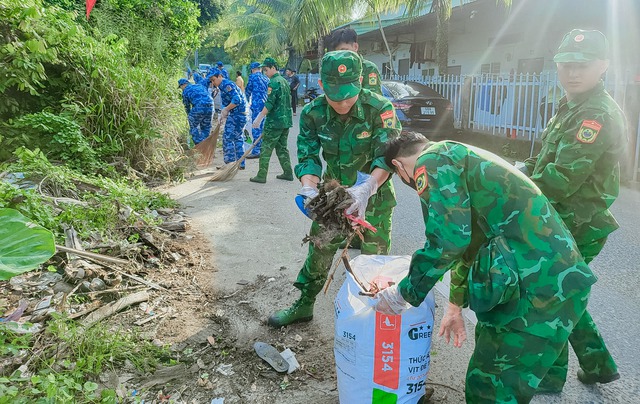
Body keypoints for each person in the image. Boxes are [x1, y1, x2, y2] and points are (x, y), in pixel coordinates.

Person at [377, 132, 596, 403]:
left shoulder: (431, 162)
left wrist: (403, 293)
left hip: (535, 291)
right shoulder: (456, 154)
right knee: (488, 369)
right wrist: (455, 306)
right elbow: (469, 244)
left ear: (398, 167)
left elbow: (448, 240)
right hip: (542, 282)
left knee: (488, 389)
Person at [267, 50, 402, 328]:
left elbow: (387, 158)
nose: (341, 101)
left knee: (374, 262)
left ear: (361, 80)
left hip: (373, 199)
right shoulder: (313, 113)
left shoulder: (381, 110)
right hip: (333, 199)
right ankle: (304, 304)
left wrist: (365, 190)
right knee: (319, 250)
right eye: (334, 94)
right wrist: (308, 188)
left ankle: (370, 320)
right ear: (321, 83)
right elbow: (307, 155)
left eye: (348, 94)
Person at [523, 29, 626, 391]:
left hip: (579, 222)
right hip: (561, 218)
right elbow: (544, 160)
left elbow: (561, 178)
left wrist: (513, 187)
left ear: (604, 66)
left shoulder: (595, 114)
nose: (572, 72)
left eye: (582, 65)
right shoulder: (572, 105)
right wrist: (521, 169)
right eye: (566, 64)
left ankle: (549, 381)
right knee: (563, 292)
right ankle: (597, 364)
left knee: (551, 296)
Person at [249, 57, 293, 183]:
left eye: (266, 69)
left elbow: (269, 103)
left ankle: (261, 175)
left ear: (273, 67)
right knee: (282, 148)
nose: (265, 72)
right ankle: (288, 172)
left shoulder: (273, 83)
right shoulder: (284, 81)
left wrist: (258, 118)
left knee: (266, 148)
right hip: (285, 122)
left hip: (274, 122)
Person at [208, 69, 247, 169]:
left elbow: (236, 100)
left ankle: (229, 164)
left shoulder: (226, 85)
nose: (213, 82)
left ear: (220, 76)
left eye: (214, 79)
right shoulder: (222, 86)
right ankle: (240, 164)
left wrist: (226, 109)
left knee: (227, 138)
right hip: (241, 114)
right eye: (211, 81)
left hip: (237, 114)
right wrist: (223, 114)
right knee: (238, 138)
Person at [326, 28, 383, 95]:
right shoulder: (335, 68)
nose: (341, 55)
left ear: (355, 47)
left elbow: (373, 96)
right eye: (338, 52)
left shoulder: (369, 68)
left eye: (344, 50)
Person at [245, 61, 269, 159]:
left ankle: (256, 150)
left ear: (252, 69)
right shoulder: (266, 78)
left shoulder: (253, 77)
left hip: (256, 104)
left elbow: (247, 91)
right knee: (263, 126)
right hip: (265, 105)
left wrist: (246, 103)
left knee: (256, 126)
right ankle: (263, 148)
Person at [178, 78, 213, 145]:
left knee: (192, 124)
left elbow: (187, 106)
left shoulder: (185, 91)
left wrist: (189, 115)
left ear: (183, 85)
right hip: (210, 105)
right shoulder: (199, 86)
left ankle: (198, 143)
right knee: (206, 126)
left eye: (180, 87)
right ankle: (205, 142)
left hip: (199, 106)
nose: (181, 89)